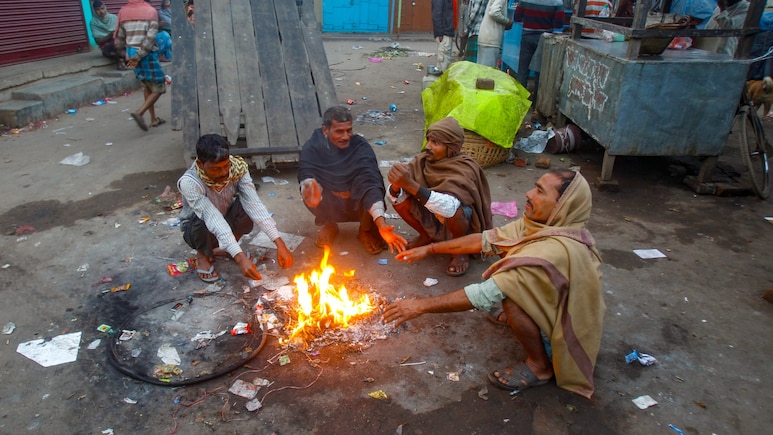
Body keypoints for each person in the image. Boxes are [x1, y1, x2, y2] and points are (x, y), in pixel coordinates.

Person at [387, 169, 605, 398]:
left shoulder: (554, 251)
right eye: (535, 186)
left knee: (510, 296)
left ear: (562, 206)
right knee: (509, 276)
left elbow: (483, 295)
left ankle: (540, 366)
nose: (529, 194)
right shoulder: (543, 226)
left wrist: (418, 306)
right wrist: (430, 248)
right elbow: (487, 240)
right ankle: (531, 323)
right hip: (555, 310)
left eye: (540, 191)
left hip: (566, 341)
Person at [177, 134, 294, 283]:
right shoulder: (189, 182)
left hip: (225, 216)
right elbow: (212, 218)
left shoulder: (237, 168)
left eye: (225, 166)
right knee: (201, 219)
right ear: (200, 164)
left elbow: (254, 204)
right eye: (215, 169)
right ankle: (203, 254)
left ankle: (228, 248)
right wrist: (240, 258)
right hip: (197, 229)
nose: (223, 172)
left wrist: (279, 242)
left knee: (246, 206)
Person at [387, 117, 492, 277]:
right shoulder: (421, 162)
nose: (427, 146)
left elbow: (450, 208)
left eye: (436, 143)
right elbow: (395, 198)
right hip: (433, 215)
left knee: (457, 212)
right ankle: (426, 236)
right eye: (429, 140)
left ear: (451, 149)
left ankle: (459, 252)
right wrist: (396, 186)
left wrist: (410, 184)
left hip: (461, 223)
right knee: (400, 201)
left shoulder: (465, 168)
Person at [298, 106, 408, 255]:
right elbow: (305, 172)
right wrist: (311, 189)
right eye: (339, 131)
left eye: (348, 130)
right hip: (329, 201)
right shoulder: (312, 147)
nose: (346, 136)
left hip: (358, 202)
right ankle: (329, 224)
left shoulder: (360, 146)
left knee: (373, 186)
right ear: (325, 130)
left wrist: (381, 224)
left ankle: (365, 230)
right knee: (309, 188)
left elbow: (371, 182)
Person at [115, 0, 166, 131]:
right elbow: (149, 40)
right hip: (145, 53)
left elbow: (119, 39)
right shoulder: (150, 12)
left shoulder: (123, 12)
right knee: (159, 86)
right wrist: (138, 56)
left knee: (147, 85)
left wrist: (127, 56)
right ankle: (140, 112)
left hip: (130, 51)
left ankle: (154, 119)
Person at [514, 0, 564, 104]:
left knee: (522, 71)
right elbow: (559, 24)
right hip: (545, 39)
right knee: (540, 73)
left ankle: (519, 102)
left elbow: (517, 17)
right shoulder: (556, 1)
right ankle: (537, 105)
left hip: (527, 36)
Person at [89, 1, 126, 70]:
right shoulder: (94, 22)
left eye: (102, 8)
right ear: (94, 11)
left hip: (119, 42)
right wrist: (110, 35)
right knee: (117, 43)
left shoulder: (114, 18)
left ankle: (126, 61)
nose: (101, 11)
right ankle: (119, 63)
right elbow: (98, 42)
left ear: (105, 8)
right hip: (106, 47)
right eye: (98, 9)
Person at [477, 0, 513, 68]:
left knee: (481, 72)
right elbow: (494, 12)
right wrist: (507, 22)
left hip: (486, 37)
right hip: (491, 39)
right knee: (487, 74)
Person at [430, 0, 456, 75]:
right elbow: (436, 15)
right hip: (445, 33)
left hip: (447, 31)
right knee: (443, 61)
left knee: (445, 60)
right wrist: (440, 33)